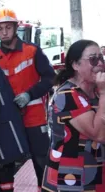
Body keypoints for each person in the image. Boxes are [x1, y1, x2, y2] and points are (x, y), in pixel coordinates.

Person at [0, 8, 56, 192]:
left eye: (7, 27)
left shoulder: (32, 51)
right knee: (5, 162)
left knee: (41, 160)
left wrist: (29, 95)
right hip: (8, 119)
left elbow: (51, 78)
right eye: (0, 29)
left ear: (15, 28)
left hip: (34, 118)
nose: (4, 32)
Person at [41, 40, 105, 191]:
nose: (100, 63)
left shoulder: (95, 92)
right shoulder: (67, 96)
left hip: (94, 174)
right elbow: (99, 134)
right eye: (93, 59)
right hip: (71, 179)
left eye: (101, 58)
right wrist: (104, 93)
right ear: (75, 65)